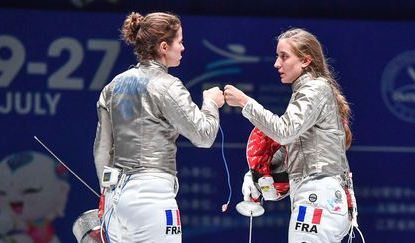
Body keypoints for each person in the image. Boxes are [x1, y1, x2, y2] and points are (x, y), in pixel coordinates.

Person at [93, 11, 225, 243]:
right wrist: (211, 104)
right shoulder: (167, 86)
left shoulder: (113, 86)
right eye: (180, 42)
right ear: (164, 47)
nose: (183, 48)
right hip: (152, 198)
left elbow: (102, 149)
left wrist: (106, 194)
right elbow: (204, 136)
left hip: (116, 202)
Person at [224, 28, 360, 242]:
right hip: (323, 200)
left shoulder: (314, 90)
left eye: (284, 56)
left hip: (317, 200)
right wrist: (259, 176)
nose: (277, 64)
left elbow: (284, 132)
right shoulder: (313, 91)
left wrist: (244, 102)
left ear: (305, 61)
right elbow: (298, 154)